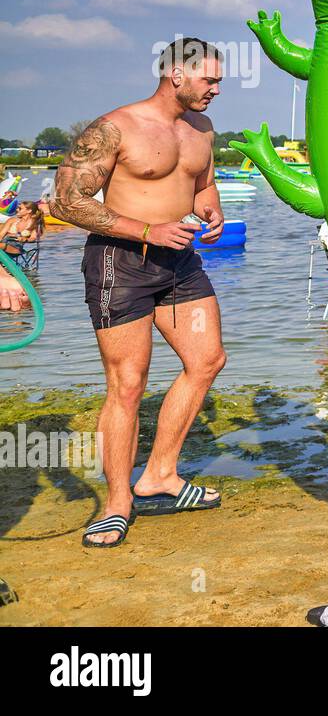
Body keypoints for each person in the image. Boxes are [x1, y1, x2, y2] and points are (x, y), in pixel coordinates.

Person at [50, 37, 228, 548]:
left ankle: (159, 478)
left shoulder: (202, 127)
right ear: (176, 76)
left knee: (207, 360)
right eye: (209, 80)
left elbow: (201, 183)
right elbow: (66, 200)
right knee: (128, 384)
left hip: (180, 263)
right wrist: (144, 230)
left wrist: (209, 209)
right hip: (120, 263)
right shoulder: (114, 128)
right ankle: (117, 503)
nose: (215, 89)